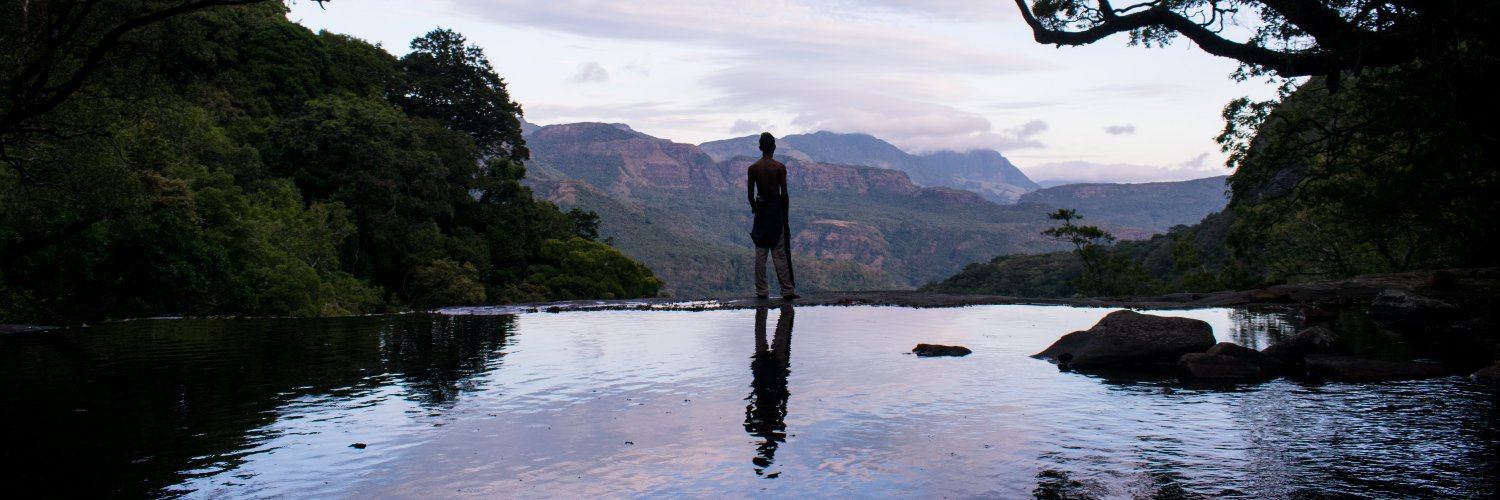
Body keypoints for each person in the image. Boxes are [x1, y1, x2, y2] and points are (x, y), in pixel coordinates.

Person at [747, 132, 797, 300]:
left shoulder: (753, 169)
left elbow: (750, 196)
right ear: (774, 148)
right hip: (776, 213)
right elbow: (785, 194)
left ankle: (761, 291)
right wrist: (785, 216)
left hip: (762, 213)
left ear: (760, 148)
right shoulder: (780, 168)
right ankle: (787, 290)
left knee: (761, 253)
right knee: (780, 253)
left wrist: (756, 208)